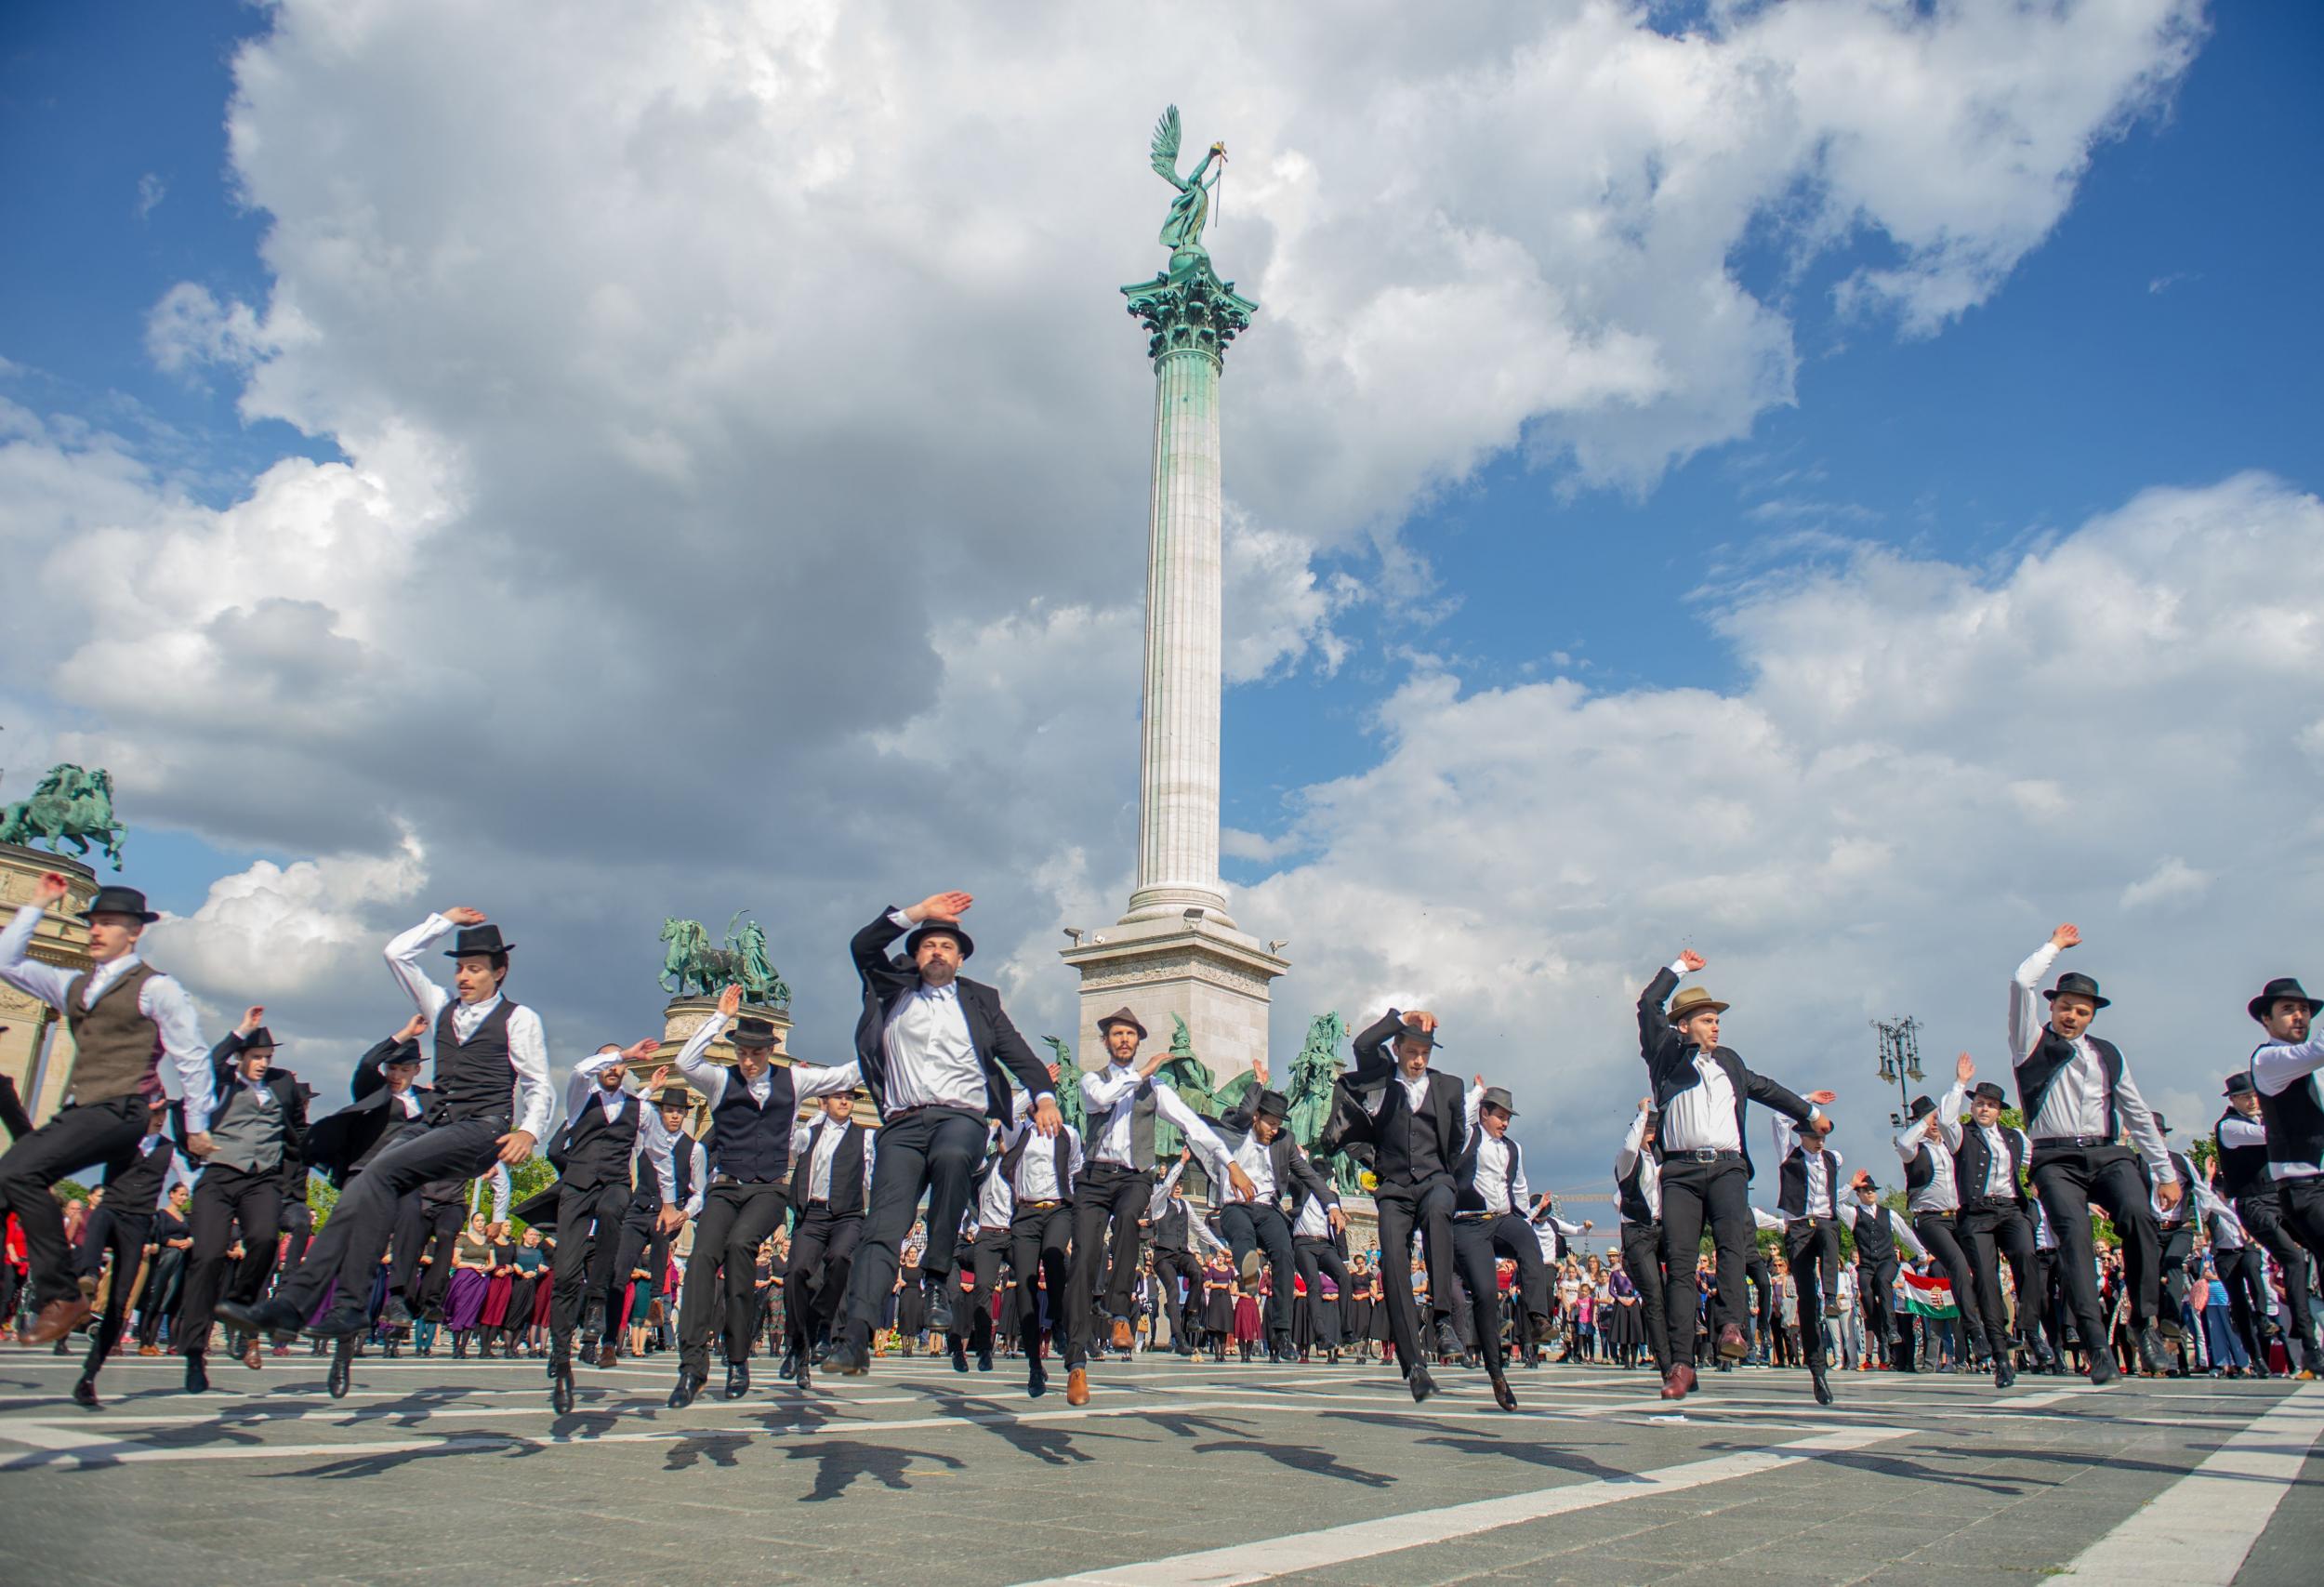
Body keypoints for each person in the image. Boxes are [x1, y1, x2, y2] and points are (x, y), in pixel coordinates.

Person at [220, 907, 555, 1400]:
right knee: (364, 1186)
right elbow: (396, 953)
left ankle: (324, 1302)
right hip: (435, 1122)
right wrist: (442, 920)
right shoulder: (440, 1005)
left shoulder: (519, 1018)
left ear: (499, 971)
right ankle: (315, 1304)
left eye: (476, 968)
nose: (463, 976)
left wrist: (528, 1131)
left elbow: (539, 1083)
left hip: (482, 1129)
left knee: (382, 1172)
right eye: (459, 967)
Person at [826, 893, 1059, 1382]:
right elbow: (862, 946)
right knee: (881, 1227)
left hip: (962, 1117)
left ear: (960, 958)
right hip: (903, 1124)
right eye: (928, 944)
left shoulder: (982, 1001)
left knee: (955, 1157)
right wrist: (918, 912)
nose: (936, 952)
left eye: (945, 946)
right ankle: (854, 1335)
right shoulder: (891, 989)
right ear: (915, 955)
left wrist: (1044, 1096)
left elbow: (1021, 1057)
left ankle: (936, 1276)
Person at [0, 876, 213, 1345]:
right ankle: (60, 1290)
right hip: (82, 1110)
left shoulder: (156, 989)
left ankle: (61, 1294)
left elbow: (192, 1056)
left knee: (19, 1172)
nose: (96, 931)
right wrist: (36, 904)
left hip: (124, 1110)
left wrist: (196, 1125)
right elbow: (6, 960)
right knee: (10, 1177)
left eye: (109, 924)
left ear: (135, 931)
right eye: (93, 923)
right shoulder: (74, 986)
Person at [1638, 951, 1832, 1401]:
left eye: (1717, 1020)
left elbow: (1766, 1088)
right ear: (1683, 1025)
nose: (1716, 1026)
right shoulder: (1666, 1057)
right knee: (1682, 1267)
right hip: (1682, 1171)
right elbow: (1648, 1005)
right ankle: (1682, 1363)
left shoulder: (1730, 1062)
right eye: (1706, 1019)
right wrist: (1678, 968)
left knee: (1733, 1250)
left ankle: (1731, 1327)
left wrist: (1811, 1112)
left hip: (1727, 1167)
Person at [667, 983, 860, 1407]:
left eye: (756, 1053)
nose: (749, 1061)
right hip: (727, 1184)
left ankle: (738, 1358)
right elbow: (685, 1060)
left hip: (769, 1189)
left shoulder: (796, 1080)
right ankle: (692, 1366)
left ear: (769, 1052)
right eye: (743, 1052)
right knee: (702, 1258)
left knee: (740, 1246)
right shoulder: (720, 1081)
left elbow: (849, 1074)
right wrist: (718, 1018)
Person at [2008, 924, 2177, 1386]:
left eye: (2081, 1012)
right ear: (2053, 1008)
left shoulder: (2108, 1054)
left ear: (2091, 1017)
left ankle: (2143, 1324)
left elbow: (2138, 1113)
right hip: (2055, 1158)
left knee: (2140, 1218)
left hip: (2108, 1153)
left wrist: (2164, 1172)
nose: (2072, 1017)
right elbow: (2022, 982)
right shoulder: (2030, 1045)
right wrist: (2054, 947)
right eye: (2065, 1008)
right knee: (2076, 1238)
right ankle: (2097, 1347)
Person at [524, 1038, 671, 1412]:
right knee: (566, 1272)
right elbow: (577, 1070)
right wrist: (621, 1054)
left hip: (614, 1184)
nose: (612, 1068)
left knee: (612, 1212)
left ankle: (596, 1308)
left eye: (618, 1065)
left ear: (625, 1074)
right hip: (576, 1186)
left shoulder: (639, 1109)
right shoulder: (580, 1098)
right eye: (605, 1062)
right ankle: (560, 1356)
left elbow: (659, 1155)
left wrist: (669, 1202)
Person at [1328, 1007, 1464, 1402]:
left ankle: (1442, 1320)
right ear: (1398, 1049)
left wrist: (1445, 1176)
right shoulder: (1380, 1079)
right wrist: (1399, 1016)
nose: (1419, 1060)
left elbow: (1455, 1141)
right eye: (1412, 1052)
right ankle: (1414, 1365)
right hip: (1394, 1187)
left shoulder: (1450, 1088)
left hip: (1434, 1178)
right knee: (1394, 1266)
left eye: (1425, 1053)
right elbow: (1362, 1043)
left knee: (1440, 1211)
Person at [175, 1007, 308, 1393]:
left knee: (266, 1239)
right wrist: (241, 1031)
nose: (264, 1064)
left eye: (268, 1057)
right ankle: (194, 1351)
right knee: (208, 1257)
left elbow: (298, 1126)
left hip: (262, 1178)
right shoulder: (222, 1081)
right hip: (219, 1173)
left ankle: (240, 1301)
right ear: (242, 1058)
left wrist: (294, 1160)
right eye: (256, 1057)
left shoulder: (282, 1084)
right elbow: (211, 1060)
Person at [1074, 1006, 1218, 1361]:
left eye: (1131, 1033)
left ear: (1138, 1040)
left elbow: (1190, 1121)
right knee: (1085, 1255)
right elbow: (1103, 1099)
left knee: (1127, 1221)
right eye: (1117, 1033)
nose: (1124, 1039)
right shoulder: (1092, 1081)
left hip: (1134, 1175)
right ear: (1105, 1041)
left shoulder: (1156, 1088)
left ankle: (1120, 1313)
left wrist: (1226, 1162)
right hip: (1094, 1176)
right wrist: (1143, 1072)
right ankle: (1077, 1334)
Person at [1174, 1078, 1334, 1373]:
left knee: (1285, 1253)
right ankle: (1248, 1272)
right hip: (1235, 1206)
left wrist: (1332, 1204)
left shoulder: (1283, 1141)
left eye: (1278, 1125)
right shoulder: (1236, 1131)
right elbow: (1244, 1112)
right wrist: (1257, 1085)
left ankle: (1283, 1334)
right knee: (1243, 1235)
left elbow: (1310, 1175)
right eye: (1270, 1123)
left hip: (1267, 1207)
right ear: (1258, 1117)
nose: (1274, 1130)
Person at [68, 1093, 181, 1408]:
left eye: (163, 1113)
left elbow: (191, 1175)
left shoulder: (168, 1149)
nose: (159, 1118)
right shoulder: (120, 1139)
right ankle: (89, 1273)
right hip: (113, 1209)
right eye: (154, 1112)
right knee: (101, 1214)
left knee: (119, 1303)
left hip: (138, 1222)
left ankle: (89, 1375)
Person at [1446, 1081, 1548, 1410]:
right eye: (1499, 1116)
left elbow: (1519, 1189)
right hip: (1469, 1223)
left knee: (1529, 1243)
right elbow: (1459, 1117)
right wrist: (1476, 1093)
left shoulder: (1513, 1148)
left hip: (1502, 1219)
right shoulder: (1469, 1137)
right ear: (1485, 1114)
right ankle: (1497, 1375)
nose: (1504, 1123)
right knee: (1487, 1295)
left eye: (1508, 1117)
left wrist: (1528, 1217)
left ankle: (1537, 1317)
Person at [2245, 975, 2324, 1379]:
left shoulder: (2311, 1066)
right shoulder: (2269, 1060)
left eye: (2305, 1009)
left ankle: (2313, 1350)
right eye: (2289, 1010)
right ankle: (2309, 1347)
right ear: (2266, 1019)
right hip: (2303, 1186)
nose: (2300, 1016)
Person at [2216, 1065, 2315, 1376]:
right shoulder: (2230, 1127)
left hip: (2281, 1197)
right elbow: (2268, 1136)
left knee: (2312, 1250)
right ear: (2233, 1099)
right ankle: (2300, 1328)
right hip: (2255, 1203)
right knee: (2292, 1257)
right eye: (2244, 1097)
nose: (2252, 1101)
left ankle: (2304, 1317)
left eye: (2255, 1095)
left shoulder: (2262, 1119)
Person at [1895, 1066, 1992, 1371]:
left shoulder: (1952, 1147)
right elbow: (1902, 1143)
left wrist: (1956, 1090)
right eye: (1930, 1121)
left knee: (1983, 1267)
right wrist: (1923, 1122)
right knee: (1959, 1267)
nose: (1936, 1125)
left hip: (1960, 1216)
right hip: (1931, 1220)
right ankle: (1976, 1333)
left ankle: (1990, 1330)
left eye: (1937, 1120)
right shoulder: (1916, 1150)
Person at [783, 1083, 876, 1390]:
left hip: (847, 1214)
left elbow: (872, 1176)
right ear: (825, 1101)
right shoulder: (810, 1131)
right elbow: (787, 1142)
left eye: (850, 1098)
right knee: (797, 1273)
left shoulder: (864, 1138)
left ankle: (824, 1327)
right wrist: (795, 1096)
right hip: (812, 1214)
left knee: (841, 1258)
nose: (846, 1102)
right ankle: (798, 1343)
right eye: (840, 1097)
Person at [1952, 1068, 2039, 1387]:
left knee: (2028, 1256)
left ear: (2000, 1110)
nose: (1985, 1109)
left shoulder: (2015, 1137)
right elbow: (1946, 1121)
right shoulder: (1962, 1134)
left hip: (2011, 1208)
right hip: (1977, 1213)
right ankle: (2000, 1353)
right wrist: (1960, 1083)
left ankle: (2029, 1329)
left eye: (1991, 1104)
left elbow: (2037, 1162)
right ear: (1972, 1108)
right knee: (1987, 1281)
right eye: (1980, 1104)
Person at [994, 1104, 1084, 1397]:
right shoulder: (1020, 1132)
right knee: (1025, 1289)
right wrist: (1034, 1086)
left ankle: (1057, 1318)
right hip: (1026, 1212)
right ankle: (1035, 1365)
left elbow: (1076, 1168)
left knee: (1056, 1257)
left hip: (1058, 1208)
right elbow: (1008, 1112)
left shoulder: (1069, 1133)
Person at [1769, 1107, 1846, 1403]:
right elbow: (1778, 1119)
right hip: (1800, 1228)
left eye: (1823, 1136)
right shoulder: (1790, 1155)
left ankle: (1830, 1296)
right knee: (1805, 1301)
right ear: (1801, 1136)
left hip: (1824, 1224)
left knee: (1829, 1232)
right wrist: (1809, 1103)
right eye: (1814, 1136)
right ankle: (1818, 1373)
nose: (1820, 1142)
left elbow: (1836, 1194)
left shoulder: (1833, 1159)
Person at [1832, 1170, 1926, 1373]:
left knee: (1884, 1281)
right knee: (1865, 1291)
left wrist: (1921, 1253)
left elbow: (1906, 1234)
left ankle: (1892, 1330)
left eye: (1872, 1190)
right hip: (1867, 1264)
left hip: (1887, 1260)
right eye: (1865, 1190)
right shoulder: (1854, 1214)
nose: (1870, 1193)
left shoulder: (1889, 1214)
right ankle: (1880, 1329)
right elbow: (1836, 1203)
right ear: (1859, 1194)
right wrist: (1851, 1184)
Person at [1613, 1097, 1670, 1379]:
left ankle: (1682, 1350)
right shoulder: (1628, 1162)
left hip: (1663, 1228)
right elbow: (1628, 1146)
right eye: (1647, 1129)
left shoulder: (1662, 1161)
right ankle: (1665, 1360)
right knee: (1653, 1295)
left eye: (1654, 1129)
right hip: (1637, 1232)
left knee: (1676, 1287)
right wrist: (1642, 1114)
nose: (1651, 1134)